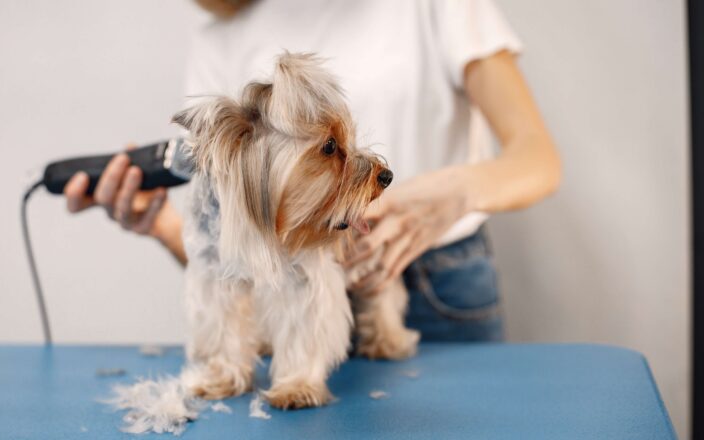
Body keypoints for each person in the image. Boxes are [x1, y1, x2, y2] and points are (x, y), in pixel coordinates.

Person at [64, 0, 561, 342]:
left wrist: (457, 190)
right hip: (287, 296)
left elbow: (537, 158)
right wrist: (165, 226)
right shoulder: (222, 34)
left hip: (439, 282)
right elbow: (231, 250)